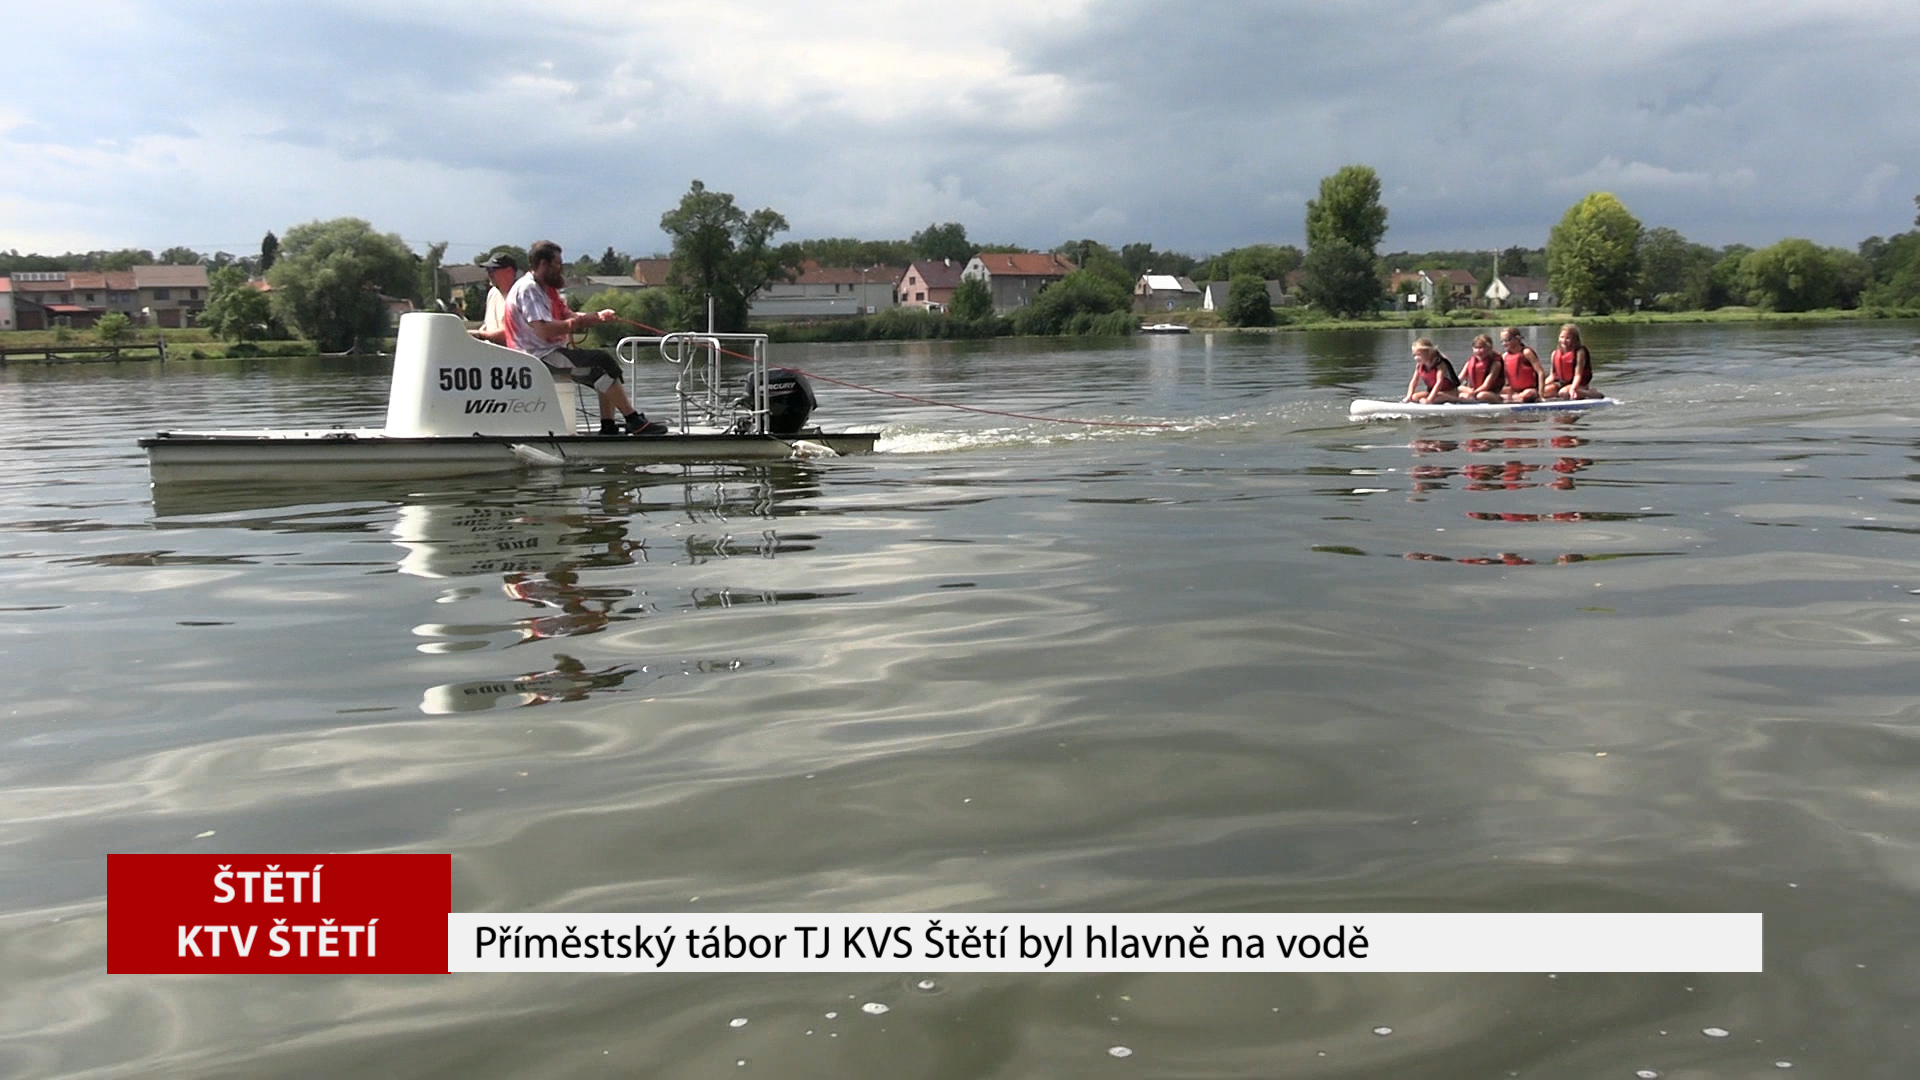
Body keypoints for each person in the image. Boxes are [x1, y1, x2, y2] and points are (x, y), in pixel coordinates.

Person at [504, 240, 665, 436]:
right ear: (543, 264)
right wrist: (579, 323)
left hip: (548, 353)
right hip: (536, 357)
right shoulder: (529, 289)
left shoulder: (546, 288)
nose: (561, 268)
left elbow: (568, 316)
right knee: (601, 365)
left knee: (603, 366)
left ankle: (608, 427)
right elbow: (543, 329)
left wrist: (597, 317)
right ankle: (634, 421)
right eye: (558, 264)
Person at [468, 252, 518, 344]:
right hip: (492, 354)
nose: (489, 274)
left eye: (492, 269)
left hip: (513, 355)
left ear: (509, 271)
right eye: (487, 270)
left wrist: (481, 335)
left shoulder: (520, 295)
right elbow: (488, 325)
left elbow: (510, 333)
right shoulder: (493, 293)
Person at [1545, 323, 1602, 399]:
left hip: (1579, 384)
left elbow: (1578, 375)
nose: (1564, 341)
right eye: (1562, 337)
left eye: (1568, 338)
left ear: (1574, 339)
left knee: (1564, 393)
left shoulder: (1580, 352)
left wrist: (1573, 388)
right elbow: (1552, 376)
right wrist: (1541, 386)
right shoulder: (1554, 353)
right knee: (1543, 392)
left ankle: (1591, 393)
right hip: (1562, 384)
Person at [1402, 337, 1460, 403]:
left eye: (1419, 355)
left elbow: (1439, 382)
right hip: (1435, 392)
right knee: (1414, 397)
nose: (1416, 358)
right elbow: (1414, 381)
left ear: (1429, 352)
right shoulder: (1419, 365)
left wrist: (1429, 400)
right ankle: (1432, 398)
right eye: (1414, 355)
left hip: (1450, 392)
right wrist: (1408, 396)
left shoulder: (1440, 364)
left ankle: (1458, 400)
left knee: (1436, 399)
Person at [1498, 327, 1546, 403]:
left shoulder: (1526, 353)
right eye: (1502, 341)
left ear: (1517, 339)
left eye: (1507, 340)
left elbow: (1540, 372)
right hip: (1513, 390)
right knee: (1489, 394)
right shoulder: (1504, 356)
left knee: (1528, 394)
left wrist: (1541, 394)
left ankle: (1514, 398)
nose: (1504, 344)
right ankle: (1513, 397)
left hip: (1529, 389)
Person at [1457, 334, 1506, 402]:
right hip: (1473, 390)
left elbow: (1486, 385)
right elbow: (1459, 379)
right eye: (1476, 348)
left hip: (1489, 392)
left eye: (1481, 348)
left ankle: (1499, 399)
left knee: (1481, 395)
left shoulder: (1495, 364)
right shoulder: (1470, 362)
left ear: (1489, 348)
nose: (1478, 351)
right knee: (1458, 388)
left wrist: (1472, 393)